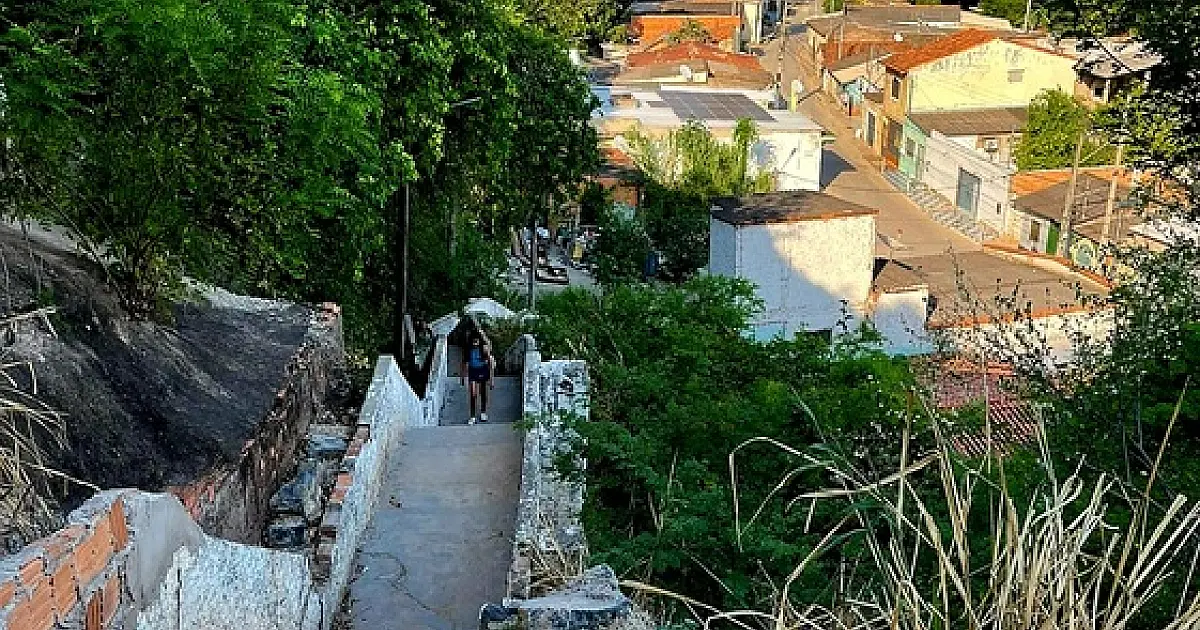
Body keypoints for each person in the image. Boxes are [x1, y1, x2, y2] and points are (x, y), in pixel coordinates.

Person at [460, 331, 495, 424]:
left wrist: (491, 380)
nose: (475, 342)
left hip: (483, 370)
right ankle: (472, 416)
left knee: (482, 392)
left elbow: (491, 363)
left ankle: (483, 412)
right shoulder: (468, 350)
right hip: (473, 371)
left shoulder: (484, 349)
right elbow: (464, 364)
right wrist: (462, 377)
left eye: (477, 340)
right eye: (474, 341)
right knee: (473, 394)